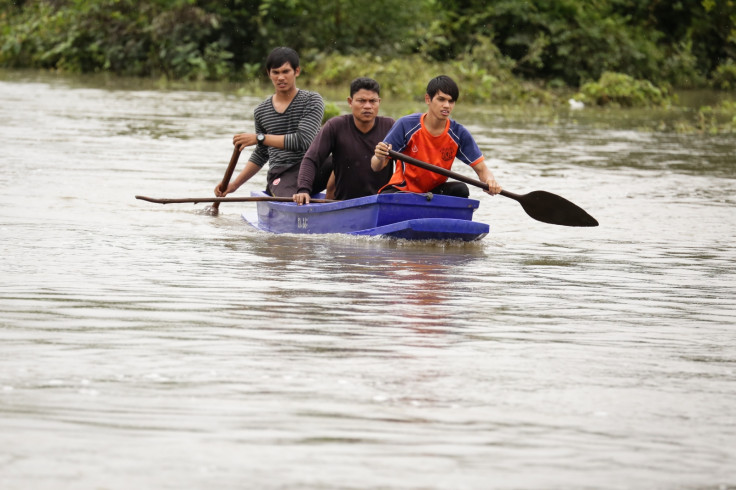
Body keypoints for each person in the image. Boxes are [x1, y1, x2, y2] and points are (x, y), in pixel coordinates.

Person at [215, 47, 330, 198]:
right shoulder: (261, 111)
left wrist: (259, 138)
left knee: (344, 158)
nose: (280, 77)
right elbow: (261, 154)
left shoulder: (312, 100)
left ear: (297, 71)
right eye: (275, 72)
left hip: (312, 166)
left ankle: (336, 199)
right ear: (269, 74)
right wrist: (234, 185)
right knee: (289, 201)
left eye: (285, 72)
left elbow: (303, 140)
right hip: (282, 173)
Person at [371, 75, 501, 198]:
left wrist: (490, 181)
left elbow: (482, 169)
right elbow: (376, 166)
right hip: (403, 190)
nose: (446, 106)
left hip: (435, 192)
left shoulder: (459, 133)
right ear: (428, 99)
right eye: (441, 99)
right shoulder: (406, 125)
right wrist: (379, 156)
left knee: (461, 189)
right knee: (389, 197)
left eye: (451, 101)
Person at [293, 77, 395, 205]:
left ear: (379, 102)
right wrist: (303, 189)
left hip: (379, 204)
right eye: (361, 101)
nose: (368, 106)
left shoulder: (390, 126)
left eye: (373, 101)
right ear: (350, 102)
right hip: (344, 204)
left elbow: (406, 164)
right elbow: (311, 159)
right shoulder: (335, 126)